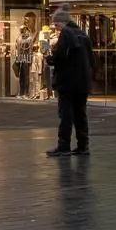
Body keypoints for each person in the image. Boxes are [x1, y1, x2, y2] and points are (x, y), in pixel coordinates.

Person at [45, 10, 91, 156]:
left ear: (61, 22)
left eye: (56, 24)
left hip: (68, 82)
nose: (56, 27)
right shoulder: (83, 34)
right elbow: (91, 58)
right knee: (80, 114)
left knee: (65, 114)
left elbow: (60, 56)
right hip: (82, 82)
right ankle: (83, 145)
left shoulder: (66, 33)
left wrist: (50, 59)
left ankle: (63, 145)